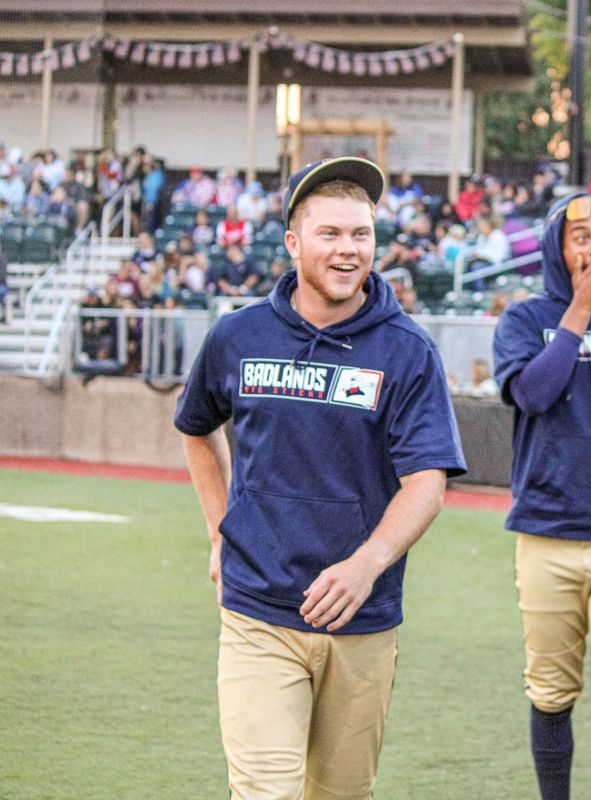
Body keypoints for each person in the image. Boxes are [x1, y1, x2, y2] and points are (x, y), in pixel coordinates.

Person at [174, 157, 466, 800]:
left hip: (363, 618)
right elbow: (197, 428)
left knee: (341, 794)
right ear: (294, 243)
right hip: (259, 609)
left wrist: (365, 565)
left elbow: (427, 483)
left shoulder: (407, 349)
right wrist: (220, 531)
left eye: (361, 234)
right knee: (265, 792)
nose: (348, 249)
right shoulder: (238, 336)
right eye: (330, 233)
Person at [492, 192, 591, 800]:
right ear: (558, 250)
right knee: (551, 690)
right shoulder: (524, 318)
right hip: (545, 531)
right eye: (581, 237)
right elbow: (533, 393)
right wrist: (578, 314)